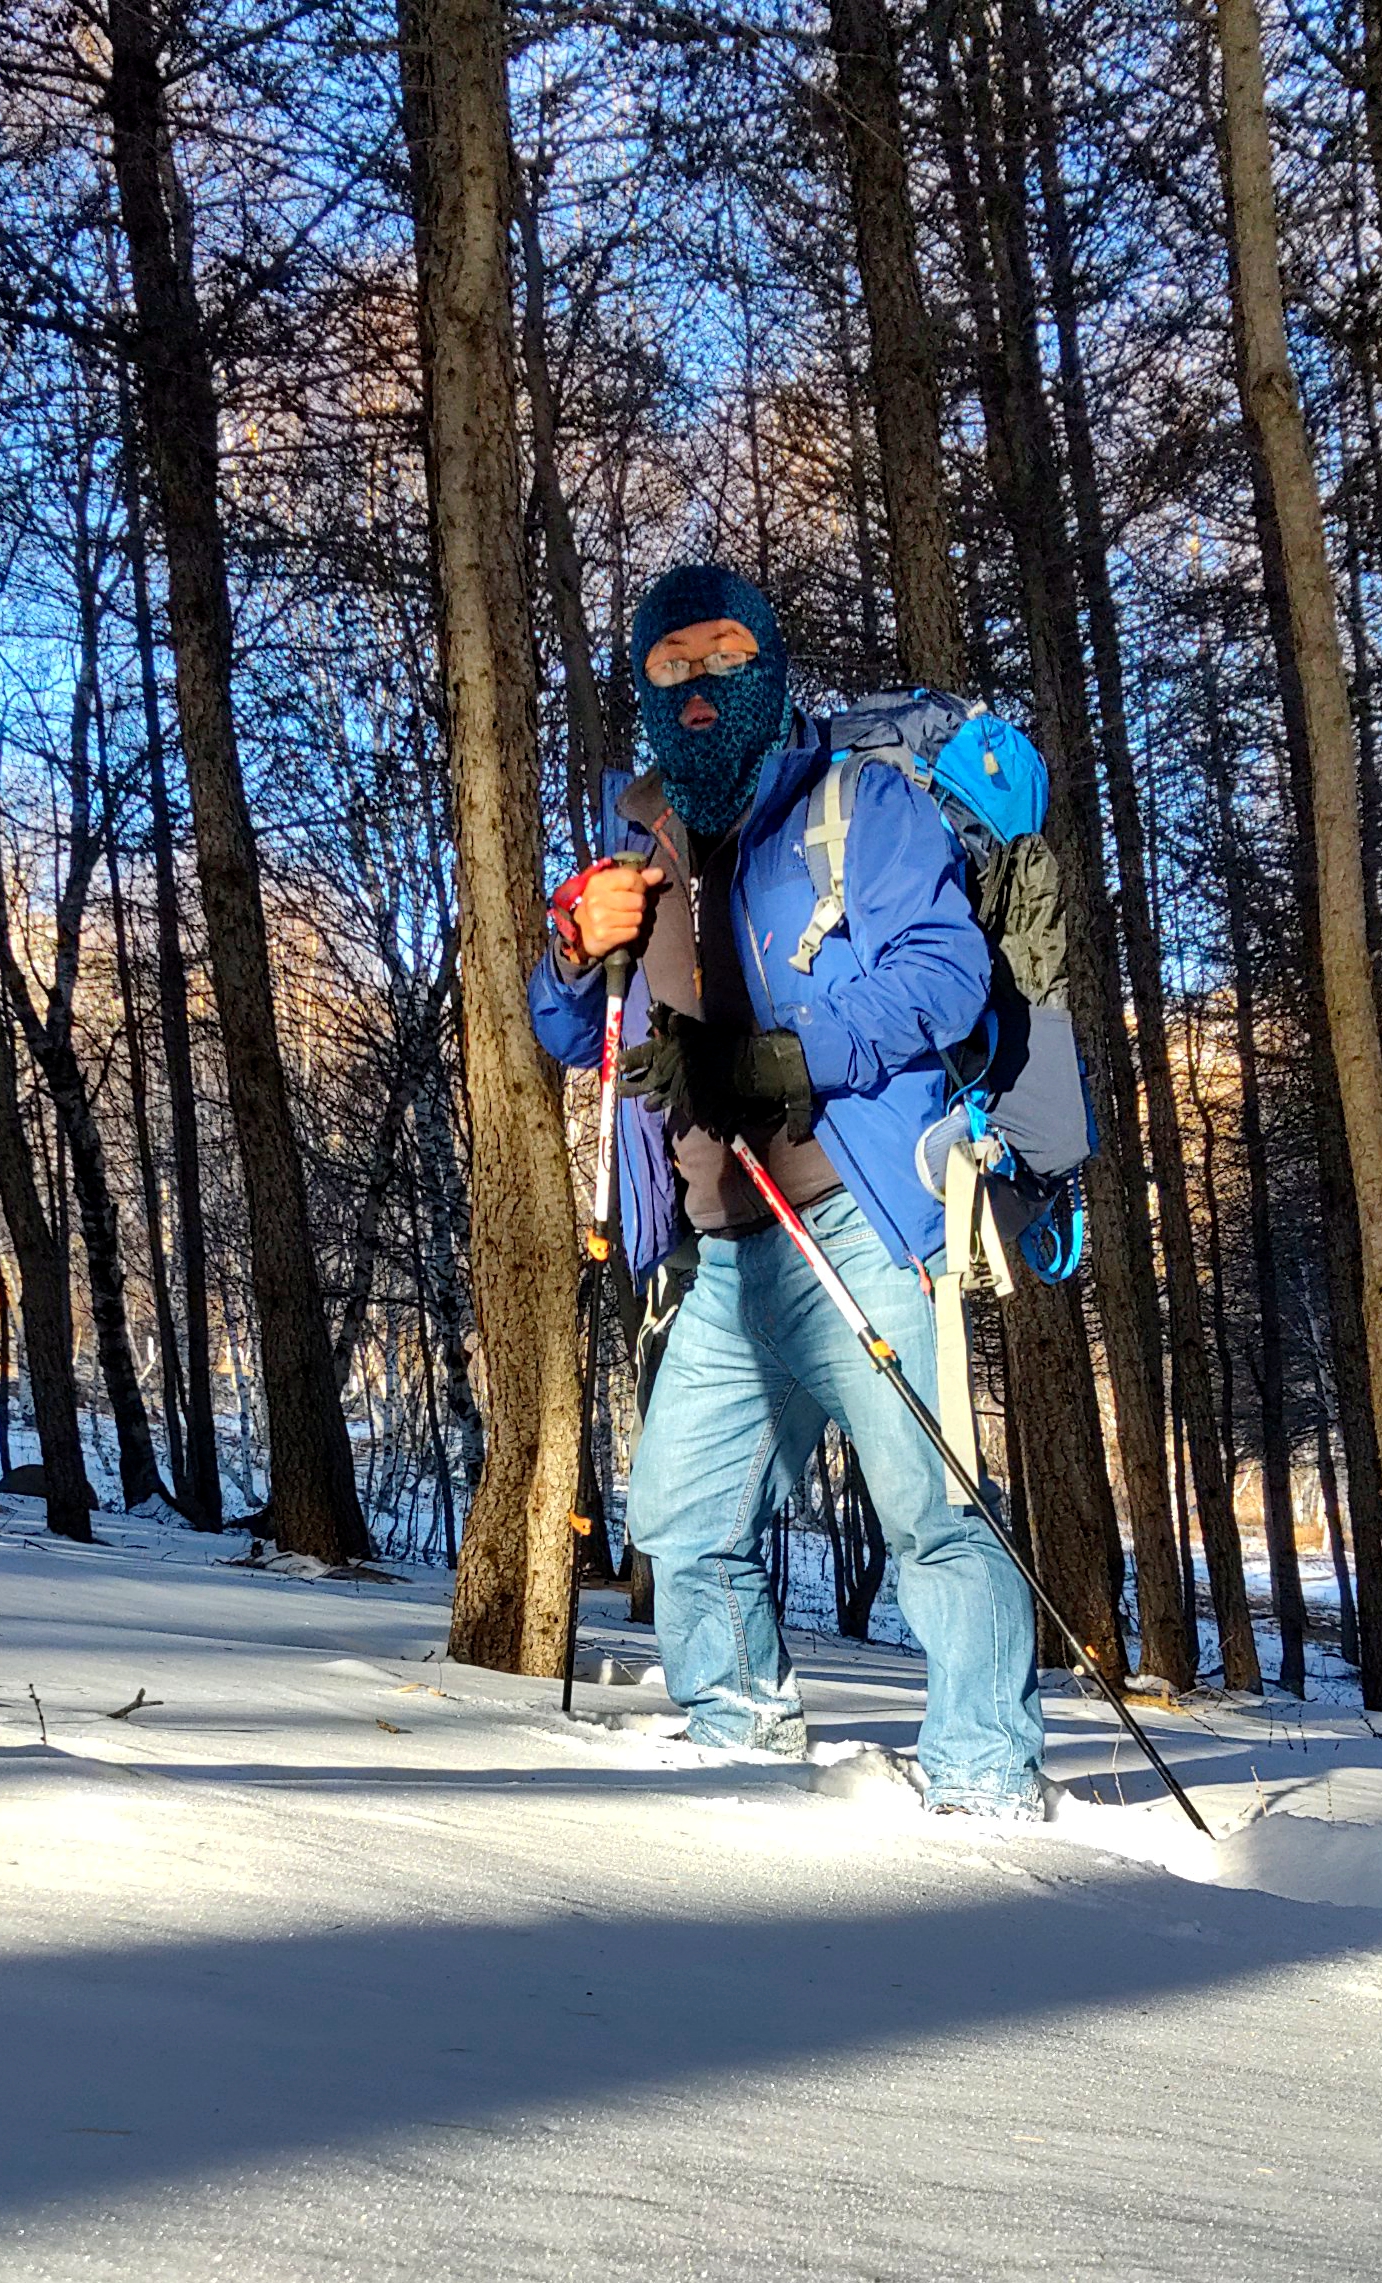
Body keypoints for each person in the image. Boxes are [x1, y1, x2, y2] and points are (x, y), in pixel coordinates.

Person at [529, 563, 1050, 1819]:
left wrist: (785, 1056)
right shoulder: (633, 841)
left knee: (931, 1511)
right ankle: (740, 1755)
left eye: (721, 656)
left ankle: (986, 1783)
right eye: (669, 668)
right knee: (682, 1517)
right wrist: (568, 942)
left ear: (765, 664)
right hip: (724, 1245)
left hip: (862, 1221)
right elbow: (565, 1032)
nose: (698, 688)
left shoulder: (855, 803)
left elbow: (944, 973)